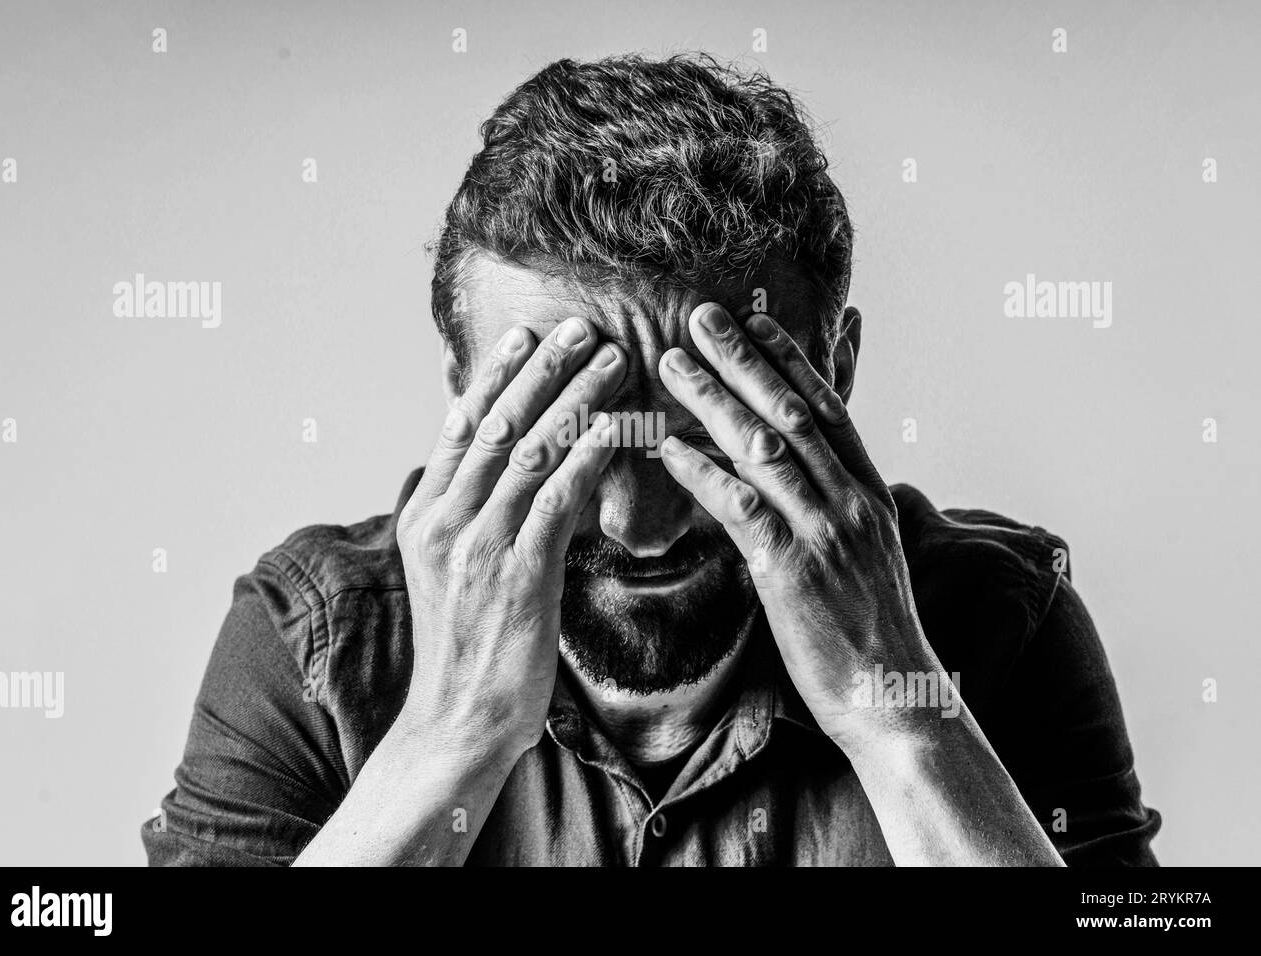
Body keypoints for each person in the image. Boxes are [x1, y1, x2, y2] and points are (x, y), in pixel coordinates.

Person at [143, 54, 1160, 866]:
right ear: (465, 388)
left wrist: (893, 713)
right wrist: (451, 734)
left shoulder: (998, 622)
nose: (637, 520)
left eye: (705, 422)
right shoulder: (315, 641)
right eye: (571, 422)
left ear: (833, 373)